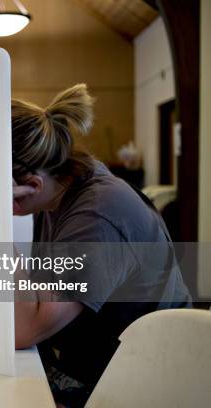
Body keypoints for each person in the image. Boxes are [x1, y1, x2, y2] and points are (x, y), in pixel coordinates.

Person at [10, 84, 191, 407]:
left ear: (33, 185)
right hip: (101, 357)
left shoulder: (97, 214)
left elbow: (23, 330)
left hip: (147, 375)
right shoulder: (61, 192)